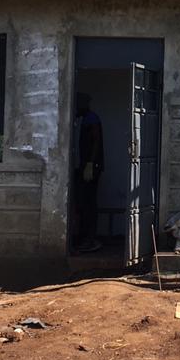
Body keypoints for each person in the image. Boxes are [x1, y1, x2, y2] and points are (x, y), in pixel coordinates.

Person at [72, 95, 104, 253]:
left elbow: (96, 141)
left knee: (88, 203)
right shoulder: (83, 120)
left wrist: (90, 163)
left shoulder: (91, 119)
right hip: (84, 166)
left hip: (91, 167)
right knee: (82, 203)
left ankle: (89, 239)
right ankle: (83, 237)